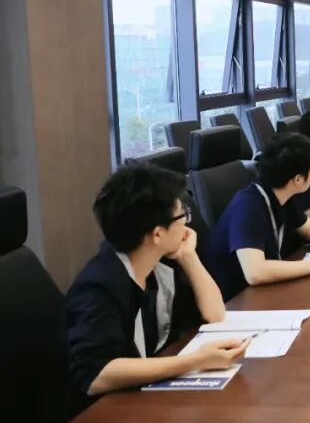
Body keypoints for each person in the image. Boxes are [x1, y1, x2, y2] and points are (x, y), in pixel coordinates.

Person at [65, 163, 239, 407]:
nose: (186, 224)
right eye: (181, 215)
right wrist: (195, 361)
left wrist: (189, 257)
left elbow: (215, 314)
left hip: (147, 398)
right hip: (104, 414)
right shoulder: (98, 286)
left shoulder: (159, 264)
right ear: (157, 234)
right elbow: (97, 375)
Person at [205, 133, 310, 301]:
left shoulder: (281, 193)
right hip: (237, 300)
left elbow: (308, 227)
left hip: (265, 290)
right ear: (298, 179)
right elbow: (255, 272)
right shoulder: (248, 205)